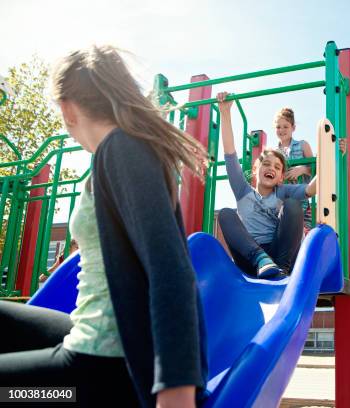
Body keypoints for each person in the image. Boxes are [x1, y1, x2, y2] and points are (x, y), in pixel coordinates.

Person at [0, 45, 208, 408]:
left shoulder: (123, 149)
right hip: (96, 337)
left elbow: (171, 269)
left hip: (101, 373)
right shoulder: (118, 151)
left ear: (67, 109)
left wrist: (176, 389)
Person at [216, 92, 317, 279]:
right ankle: (261, 259)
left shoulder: (283, 191)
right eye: (267, 164)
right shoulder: (242, 190)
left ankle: (282, 270)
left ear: (281, 177)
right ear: (256, 170)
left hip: (279, 254)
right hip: (251, 258)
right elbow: (230, 154)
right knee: (225, 214)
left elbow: (311, 189)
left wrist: (332, 156)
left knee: (293, 205)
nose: (271, 168)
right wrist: (225, 113)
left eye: (277, 167)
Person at [274, 107, 314, 233]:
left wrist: (303, 169)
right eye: (278, 127)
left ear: (293, 128)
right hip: (281, 204)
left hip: (301, 202)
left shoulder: (303, 145)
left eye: (285, 126)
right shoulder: (274, 152)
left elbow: (316, 170)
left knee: (303, 237)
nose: (282, 130)